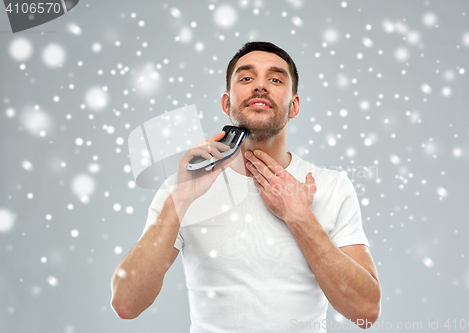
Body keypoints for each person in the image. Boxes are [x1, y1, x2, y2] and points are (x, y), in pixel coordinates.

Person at [110, 41, 381, 332]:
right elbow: (127, 304)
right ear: (226, 103)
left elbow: (365, 312)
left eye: (275, 79)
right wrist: (181, 199)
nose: (260, 86)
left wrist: (299, 217)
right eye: (246, 78)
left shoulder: (332, 186)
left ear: (294, 105)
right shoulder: (183, 186)